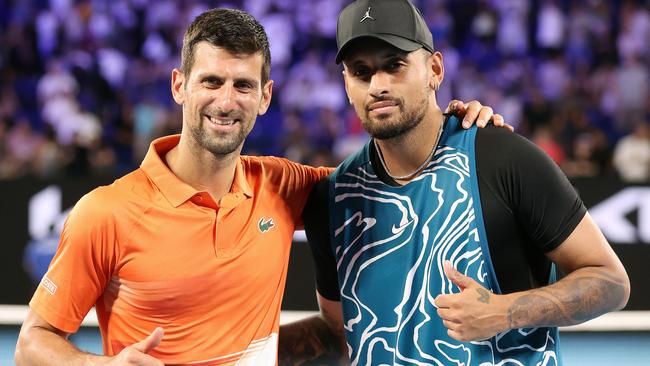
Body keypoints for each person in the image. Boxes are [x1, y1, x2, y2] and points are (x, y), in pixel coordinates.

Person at [14, 7, 502, 366]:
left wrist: (452, 127)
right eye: (211, 82)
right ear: (179, 86)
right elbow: (32, 343)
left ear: (265, 97)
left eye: (243, 85)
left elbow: (395, 173)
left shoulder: (284, 184)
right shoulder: (105, 212)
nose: (226, 102)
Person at [293, 0, 631, 365]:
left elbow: (611, 282)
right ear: (346, 84)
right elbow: (339, 335)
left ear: (435, 69)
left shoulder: (502, 158)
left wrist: (505, 312)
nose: (378, 85)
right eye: (361, 72)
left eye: (395, 65)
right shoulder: (334, 198)